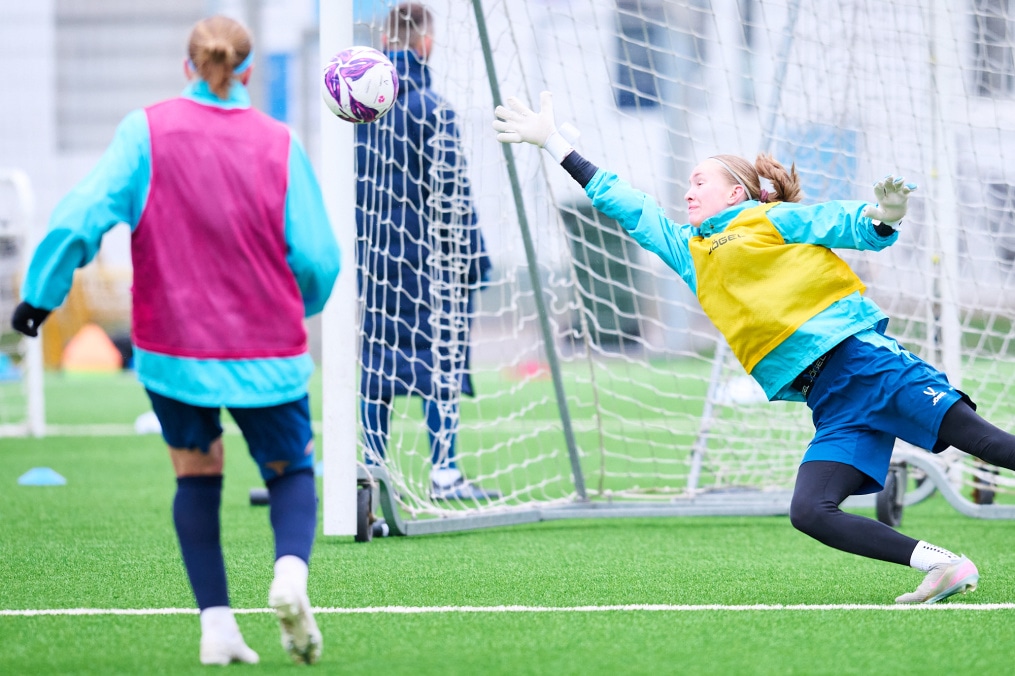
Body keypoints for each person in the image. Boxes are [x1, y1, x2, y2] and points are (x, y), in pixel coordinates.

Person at [493, 91, 1015, 604]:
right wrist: (557, 145)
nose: (688, 191)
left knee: (991, 446)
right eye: (687, 184)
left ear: (736, 193)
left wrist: (885, 216)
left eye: (700, 181)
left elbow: (838, 220)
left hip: (872, 366)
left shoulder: (767, 221)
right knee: (810, 512)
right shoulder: (689, 250)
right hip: (831, 401)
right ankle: (944, 565)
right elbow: (627, 204)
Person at [12, 16, 340, 664]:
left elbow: (82, 215)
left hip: (174, 352)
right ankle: (289, 578)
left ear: (188, 67)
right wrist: (297, 304)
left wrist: (40, 297)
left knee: (195, 474)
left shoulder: (145, 131)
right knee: (291, 470)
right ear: (247, 72)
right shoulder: (279, 143)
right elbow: (319, 257)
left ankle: (216, 628)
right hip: (265, 350)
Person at [356, 2, 497, 501]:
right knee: (439, 358)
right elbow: (453, 195)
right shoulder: (433, 108)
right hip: (429, 262)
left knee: (376, 361)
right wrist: (476, 262)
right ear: (426, 43)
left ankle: (369, 469)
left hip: (373, 264)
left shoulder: (356, 110)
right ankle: (444, 472)